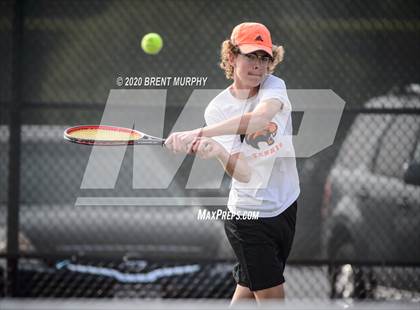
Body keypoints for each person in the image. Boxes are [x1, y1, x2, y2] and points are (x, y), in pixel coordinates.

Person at [165, 22, 300, 304]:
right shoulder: (217, 109)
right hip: (248, 218)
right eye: (250, 56)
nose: (258, 66)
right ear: (231, 57)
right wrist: (216, 151)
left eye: (265, 58)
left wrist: (200, 133)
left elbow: (260, 119)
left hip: (286, 205)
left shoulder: (274, 87)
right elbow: (244, 173)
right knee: (273, 299)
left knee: (247, 294)